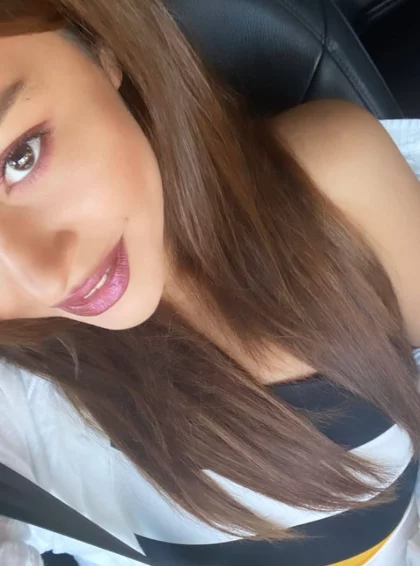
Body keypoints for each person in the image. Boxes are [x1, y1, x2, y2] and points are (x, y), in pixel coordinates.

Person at [0, 0, 420, 565]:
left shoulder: (332, 186)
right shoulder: (21, 395)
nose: (47, 277)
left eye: (21, 157)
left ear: (103, 48)